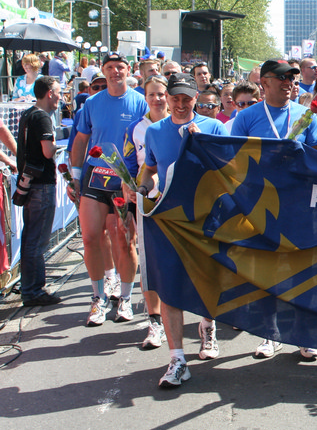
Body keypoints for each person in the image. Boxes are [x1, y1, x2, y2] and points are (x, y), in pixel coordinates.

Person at [231, 59, 317, 359]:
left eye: (292, 78)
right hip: (260, 204)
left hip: (298, 202)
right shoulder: (247, 117)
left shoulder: (306, 116)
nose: (288, 83)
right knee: (265, 269)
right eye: (282, 78)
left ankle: (304, 333)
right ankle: (269, 334)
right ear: (265, 82)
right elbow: (234, 161)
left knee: (301, 269)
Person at [138, 73, 227, 388]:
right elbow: (150, 168)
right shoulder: (154, 131)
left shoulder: (213, 127)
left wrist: (202, 144)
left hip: (207, 218)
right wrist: (143, 189)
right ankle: (177, 359)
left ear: (195, 98)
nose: (179, 104)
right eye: (174, 97)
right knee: (170, 286)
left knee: (208, 281)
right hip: (170, 218)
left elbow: (228, 172)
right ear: (167, 98)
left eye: (186, 98)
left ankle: (207, 326)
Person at [67, 52, 148, 327]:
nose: (115, 72)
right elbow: (81, 139)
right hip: (95, 177)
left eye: (120, 67)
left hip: (124, 180)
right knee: (90, 237)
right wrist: (75, 176)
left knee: (124, 240)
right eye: (110, 67)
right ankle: (98, 298)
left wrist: (141, 178)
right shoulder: (92, 103)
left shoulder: (140, 102)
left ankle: (125, 298)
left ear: (128, 70)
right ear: (103, 70)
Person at [121, 74, 170, 349]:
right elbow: (129, 165)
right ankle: (155, 322)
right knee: (150, 263)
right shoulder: (135, 128)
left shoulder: (183, 123)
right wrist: (130, 190)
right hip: (147, 203)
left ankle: (200, 322)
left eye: (161, 93)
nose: (157, 99)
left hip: (177, 203)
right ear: (145, 97)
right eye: (151, 94)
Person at [16, 76, 63, 307]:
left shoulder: (28, 114)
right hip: (41, 184)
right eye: (58, 92)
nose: (61, 97)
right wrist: (60, 146)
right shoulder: (42, 117)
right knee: (37, 240)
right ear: (49, 93)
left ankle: (30, 288)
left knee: (30, 237)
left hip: (29, 182)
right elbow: (47, 151)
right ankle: (33, 291)